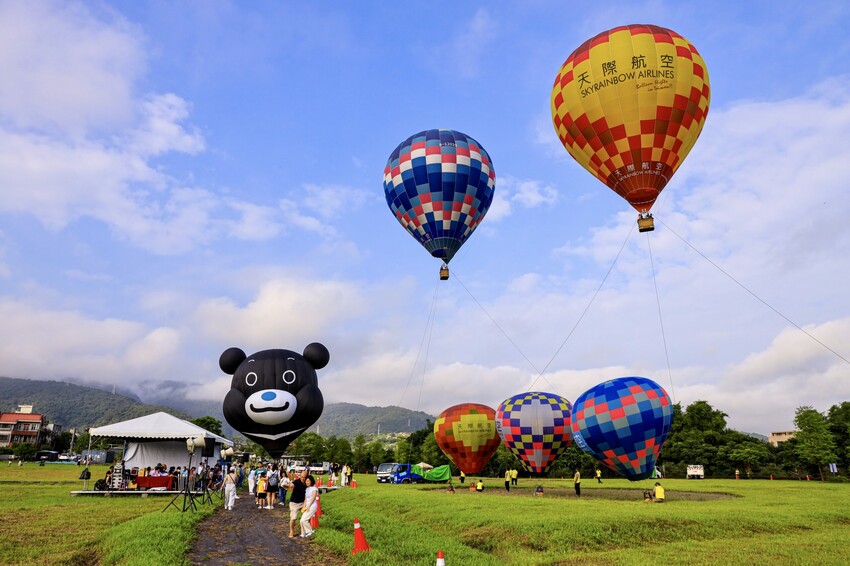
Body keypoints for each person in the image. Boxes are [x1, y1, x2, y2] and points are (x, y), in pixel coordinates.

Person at [288, 470, 308, 538]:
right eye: (302, 477)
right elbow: (292, 484)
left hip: (303, 502)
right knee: (293, 518)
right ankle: (291, 531)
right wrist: (290, 484)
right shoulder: (296, 482)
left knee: (307, 516)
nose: (303, 478)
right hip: (294, 502)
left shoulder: (307, 483)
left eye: (304, 477)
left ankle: (305, 530)